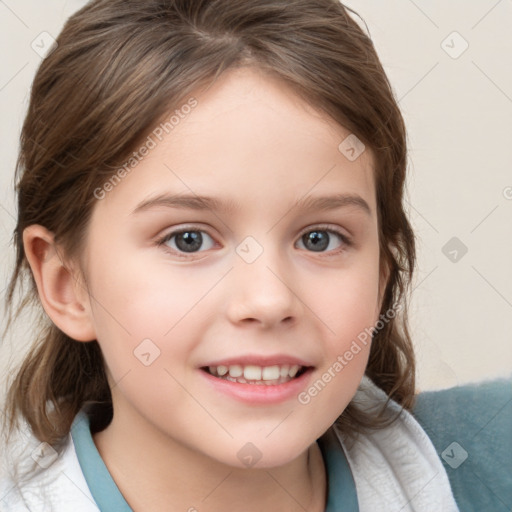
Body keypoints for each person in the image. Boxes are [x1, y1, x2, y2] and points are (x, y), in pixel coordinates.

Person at [0, 0, 464, 510]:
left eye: (319, 238)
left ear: (380, 275)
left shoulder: (483, 466)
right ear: (67, 284)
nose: (268, 300)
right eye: (188, 239)